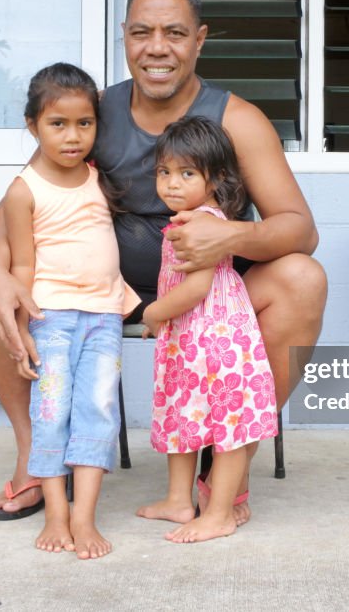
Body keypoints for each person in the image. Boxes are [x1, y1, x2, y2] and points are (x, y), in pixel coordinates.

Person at [0, 0, 326, 528]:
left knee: (303, 277)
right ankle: (38, 458)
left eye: (175, 33)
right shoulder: (92, 112)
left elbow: (300, 229)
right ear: (125, 40)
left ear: (199, 40)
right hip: (109, 293)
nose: (158, 47)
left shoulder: (236, 119)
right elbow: (12, 208)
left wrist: (232, 235)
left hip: (212, 297)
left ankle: (231, 460)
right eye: (142, 32)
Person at [0, 62, 139, 559]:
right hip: (51, 319)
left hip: (104, 316)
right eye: (58, 124)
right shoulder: (24, 190)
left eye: (85, 123)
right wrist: (22, 329)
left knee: (97, 412)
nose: (73, 136)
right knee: (52, 413)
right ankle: (57, 512)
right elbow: (20, 267)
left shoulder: (100, 179)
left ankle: (85, 516)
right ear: (32, 126)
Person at [135, 116, 278, 543]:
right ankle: (178, 500)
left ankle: (218, 513)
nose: (171, 183)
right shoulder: (188, 218)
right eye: (164, 172)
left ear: (215, 179)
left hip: (216, 342)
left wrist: (154, 312)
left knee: (227, 427)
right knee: (185, 417)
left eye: (186, 173)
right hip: (192, 341)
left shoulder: (197, 225)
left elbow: (196, 287)